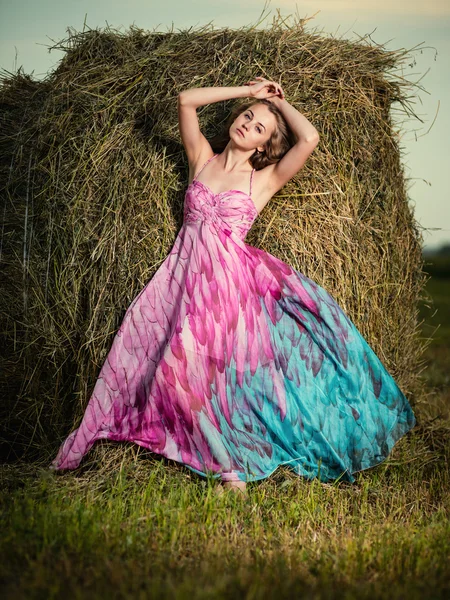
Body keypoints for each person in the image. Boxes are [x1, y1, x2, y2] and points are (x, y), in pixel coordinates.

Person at [49, 78, 416, 499]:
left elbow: (309, 137)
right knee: (172, 378)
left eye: (259, 127)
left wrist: (280, 102)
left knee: (179, 373)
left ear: (263, 146)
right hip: (180, 280)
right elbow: (186, 98)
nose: (247, 125)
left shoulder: (261, 181)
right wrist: (250, 91)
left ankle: (231, 474)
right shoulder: (201, 159)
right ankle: (228, 466)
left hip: (227, 290)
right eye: (246, 117)